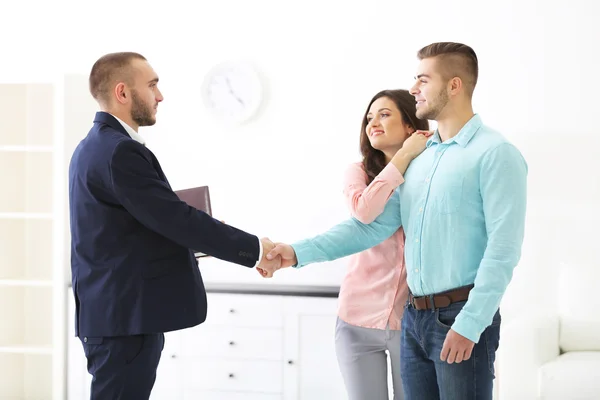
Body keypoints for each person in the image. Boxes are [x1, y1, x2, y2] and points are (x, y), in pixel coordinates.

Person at [263, 42, 528, 400]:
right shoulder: (418, 158)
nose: (414, 89)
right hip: (413, 319)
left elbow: (503, 249)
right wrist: (294, 253)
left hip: (460, 316)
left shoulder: (495, 154)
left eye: (422, 79)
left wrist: (471, 322)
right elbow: (369, 227)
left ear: (453, 86)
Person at [68, 52, 280, 400]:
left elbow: (133, 230)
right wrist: (255, 249)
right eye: (152, 85)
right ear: (122, 93)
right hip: (124, 320)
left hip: (114, 316)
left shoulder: (93, 147)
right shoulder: (118, 151)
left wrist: (197, 234)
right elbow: (177, 220)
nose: (160, 95)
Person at [333, 89, 431, 399]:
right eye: (369, 117)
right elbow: (364, 210)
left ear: (409, 126)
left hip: (411, 325)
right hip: (356, 321)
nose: (373, 122)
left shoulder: (431, 174)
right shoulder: (357, 172)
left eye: (384, 114)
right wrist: (402, 157)